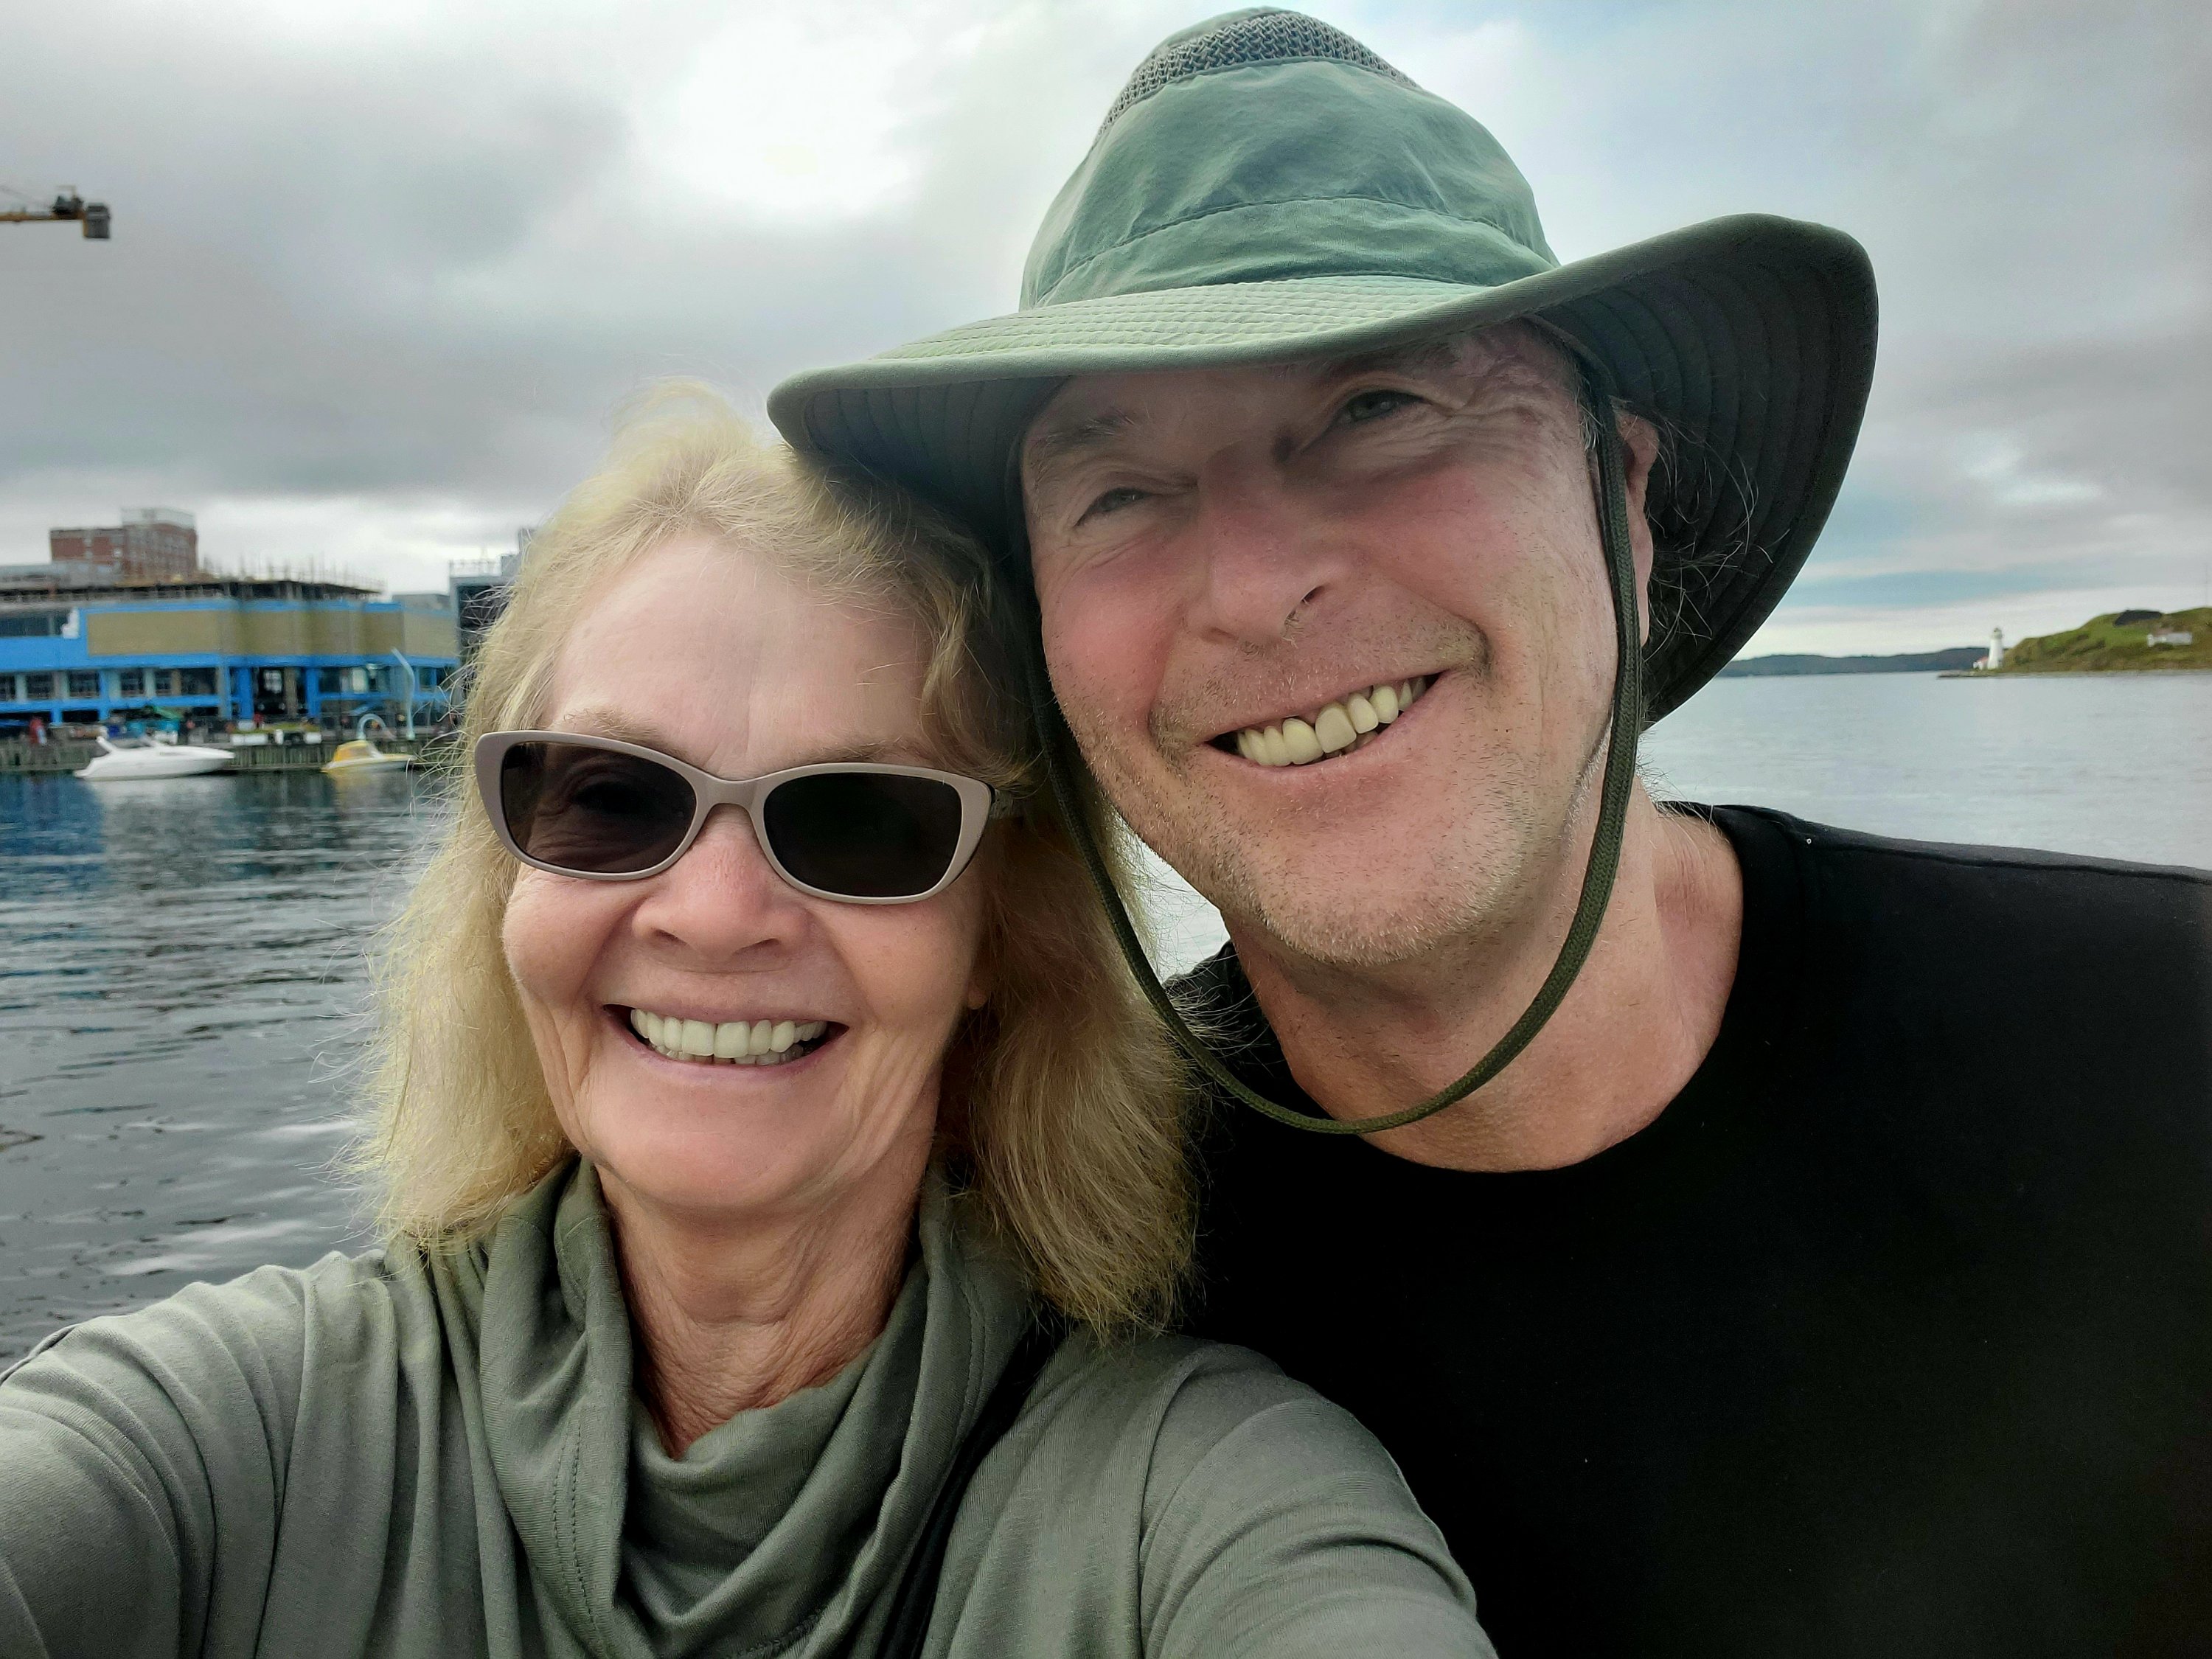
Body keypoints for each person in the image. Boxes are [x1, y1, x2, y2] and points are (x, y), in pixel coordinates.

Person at [770, 10, 2212, 1658]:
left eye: (1379, 407)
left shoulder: (2162, 1040)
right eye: (1117, 494)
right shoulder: (1038, 1269)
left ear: (1628, 502)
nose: (1256, 587)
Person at [0, 396, 1493, 1658]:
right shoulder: (234, 1439)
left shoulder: (1200, 1509)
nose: (714, 914)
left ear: (999, 926)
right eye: (608, 797)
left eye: (858, 819)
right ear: (505, 876)